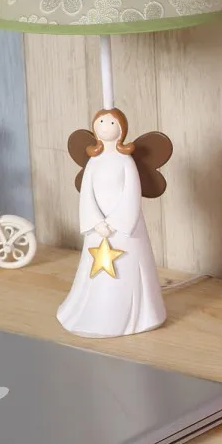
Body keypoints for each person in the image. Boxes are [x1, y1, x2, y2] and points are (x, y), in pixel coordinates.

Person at [57, 109, 166, 337]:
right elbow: (87, 194)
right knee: (94, 273)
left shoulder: (126, 162)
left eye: (111, 122)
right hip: (97, 230)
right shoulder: (94, 162)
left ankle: (139, 316)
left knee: (127, 268)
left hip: (124, 231)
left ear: (121, 128)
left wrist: (116, 222)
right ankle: (94, 312)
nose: (105, 126)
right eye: (101, 121)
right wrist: (96, 222)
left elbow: (131, 194)